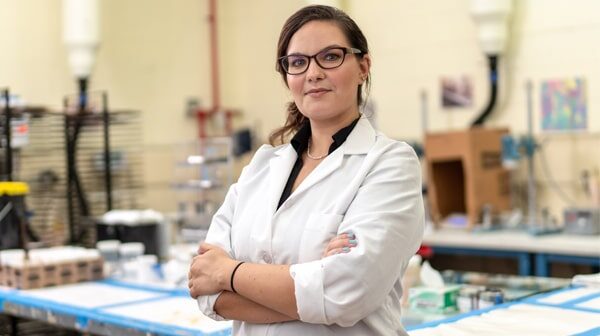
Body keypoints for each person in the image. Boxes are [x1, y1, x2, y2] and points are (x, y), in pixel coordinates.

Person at [188, 4, 424, 335]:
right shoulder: (262, 166)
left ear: (363, 67)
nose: (313, 73)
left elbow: (345, 293)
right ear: (287, 76)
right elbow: (205, 288)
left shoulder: (389, 163)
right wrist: (310, 286)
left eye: (330, 57)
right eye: (298, 63)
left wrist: (227, 273)